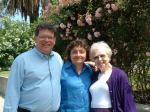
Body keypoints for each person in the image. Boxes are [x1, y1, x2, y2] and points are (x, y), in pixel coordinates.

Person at [3, 22, 63, 112]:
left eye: (50, 37)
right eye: (42, 37)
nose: (47, 40)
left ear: (54, 40)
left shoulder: (57, 58)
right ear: (35, 38)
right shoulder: (21, 61)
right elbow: (12, 92)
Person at [89, 41, 137, 112]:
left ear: (108, 56)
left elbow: (128, 101)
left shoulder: (119, 75)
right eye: (96, 57)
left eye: (102, 56)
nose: (99, 59)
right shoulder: (94, 75)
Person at [60, 39, 93, 112]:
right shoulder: (61, 70)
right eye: (74, 52)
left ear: (86, 54)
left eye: (81, 52)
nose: (78, 55)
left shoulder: (90, 70)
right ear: (70, 54)